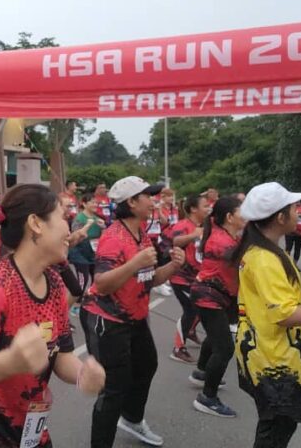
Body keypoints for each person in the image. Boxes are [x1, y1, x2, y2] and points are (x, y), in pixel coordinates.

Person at [0, 184, 106, 447]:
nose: (68, 228)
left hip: (31, 431)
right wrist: (11, 361)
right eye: (62, 217)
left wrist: (83, 374)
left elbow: (61, 355)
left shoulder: (54, 283)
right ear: (36, 224)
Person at [81, 176, 185, 448]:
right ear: (131, 202)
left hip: (135, 318)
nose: (153, 201)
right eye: (147, 196)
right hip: (107, 319)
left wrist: (173, 267)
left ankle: (132, 419)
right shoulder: (113, 237)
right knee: (113, 388)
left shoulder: (142, 235)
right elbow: (102, 284)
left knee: (147, 365)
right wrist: (134, 263)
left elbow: (149, 279)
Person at [233, 182, 301, 447]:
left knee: (278, 425)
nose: (299, 212)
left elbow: (284, 299)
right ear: (280, 217)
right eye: (294, 208)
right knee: (277, 428)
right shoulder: (265, 259)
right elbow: (285, 314)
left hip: (272, 351)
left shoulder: (267, 251)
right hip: (274, 359)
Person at [188, 196, 245, 417]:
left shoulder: (228, 236)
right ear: (229, 217)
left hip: (218, 296)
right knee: (225, 348)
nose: (246, 214)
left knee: (215, 337)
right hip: (209, 296)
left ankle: (202, 372)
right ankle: (207, 398)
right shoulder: (223, 242)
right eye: (242, 210)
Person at [168, 194, 209, 364]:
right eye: (205, 206)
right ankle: (178, 348)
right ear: (193, 209)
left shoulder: (202, 226)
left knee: (202, 307)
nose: (208, 209)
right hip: (181, 278)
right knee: (191, 310)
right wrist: (193, 235)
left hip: (196, 277)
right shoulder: (183, 225)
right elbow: (176, 241)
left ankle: (190, 330)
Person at [68, 193, 106, 307]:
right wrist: (88, 225)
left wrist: (103, 228)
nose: (95, 204)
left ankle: (91, 301)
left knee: (97, 279)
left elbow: (103, 238)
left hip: (93, 254)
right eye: (92, 202)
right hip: (79, 254)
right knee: (82, 280)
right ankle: (76, 304)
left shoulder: (98, 218)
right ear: (84, 204)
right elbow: (75, 235)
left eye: (96, 202)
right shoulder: (79, 218)